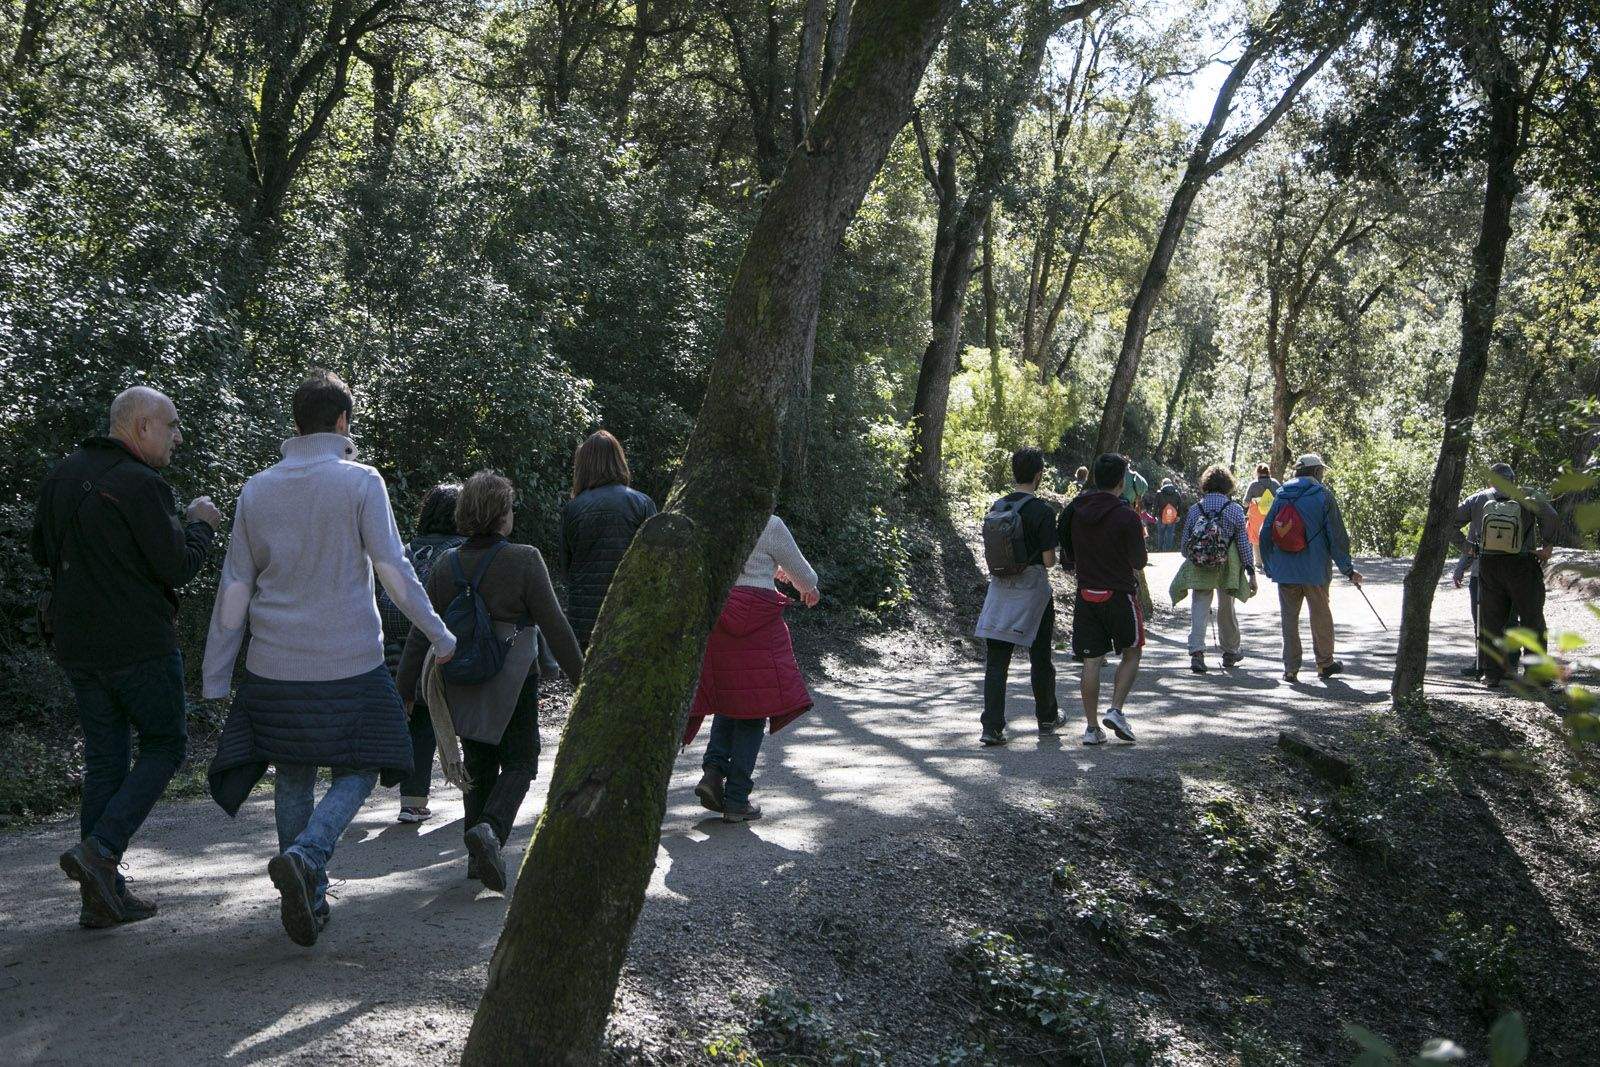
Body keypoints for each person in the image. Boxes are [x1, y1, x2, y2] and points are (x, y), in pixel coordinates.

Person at [202, 369, 457, 947]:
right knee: (364, 764)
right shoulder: (361, 482)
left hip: (273, 664)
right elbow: (394, 570)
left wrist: (216, 674)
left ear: (296, 424)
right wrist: (439, 634)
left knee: (292, 772)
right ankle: (308, 855)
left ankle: (308, 895)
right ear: (343, 422)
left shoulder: (257, 489)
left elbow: (235, 585)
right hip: (350, 659)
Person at [32, 386, 221, 928]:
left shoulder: (62, 475)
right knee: (166, 744)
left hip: (78, 647)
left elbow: (40, 550)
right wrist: (201, 524)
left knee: (106, 761)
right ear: (141, 427)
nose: (178, 438)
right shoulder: (141, 483)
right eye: (173, 427)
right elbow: (178, 565)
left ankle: (102, 895)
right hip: (138, 645)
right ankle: (102, 850)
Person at [396, 471, 585, 890]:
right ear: (502, 515)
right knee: (521, 758)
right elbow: (556, 628)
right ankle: (491, 831)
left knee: (479, 761)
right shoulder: (524, 559)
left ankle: (475, 859)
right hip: (513, 677)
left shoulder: (448, 563)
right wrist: (583, 682)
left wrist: (404, 688)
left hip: (460, 671)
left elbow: (420, 629)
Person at [685, 514, 820, 822]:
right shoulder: (769, 524)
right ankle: (736, 800)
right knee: (753, 709)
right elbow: (806, 578)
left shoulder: (713, 521)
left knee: (728, 696)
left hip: (721, 612)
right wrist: (803, 585)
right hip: (760, 618)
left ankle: (713, 770)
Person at [378, 482, 464, 823]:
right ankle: (476, 785)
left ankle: (412, 802)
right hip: (437, 643)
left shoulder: (409, 548)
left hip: (396, 641)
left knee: (418, 720)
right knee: (456, 716)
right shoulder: (460, 549)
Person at [974, 447, 1062, 746]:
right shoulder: (1042, 511)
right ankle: (1047, 717)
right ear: (1039, 475)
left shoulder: (997, 507)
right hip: (1033, 589)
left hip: (1000, 588)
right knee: (1040, 658)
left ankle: (992, 726)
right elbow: (1049, 561)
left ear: (1014, 472)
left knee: (997, 661)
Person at [1058, 453, 1147, 746]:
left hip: (1086, 594)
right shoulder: (1126, 515)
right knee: (1132, 651)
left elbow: (1066, 551)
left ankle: (1092, 728)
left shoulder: (1075, 509)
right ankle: (1116, 709)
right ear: (1122, 482)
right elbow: (1139, 560)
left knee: (1091, 661)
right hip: (1120, 593)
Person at [1449, 464, 1558, 689]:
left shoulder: (1478, 499)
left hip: (1489, 565)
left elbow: (1450, 522)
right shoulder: (1527, 494)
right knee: (1532, 620)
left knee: (1491, 621)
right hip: (1522, 564)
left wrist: (1467, 547)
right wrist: (1547, 546)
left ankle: (1492, 676)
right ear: (1513, 480)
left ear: (1491, 481)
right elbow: (1552, 516)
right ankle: (1535, 675)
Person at [1259, 453, 1363, 683]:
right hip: (1315, 570)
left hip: (1286, 570)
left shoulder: (1281, 495)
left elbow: (1265, 532)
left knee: (1289, 620)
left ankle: (1290, 669)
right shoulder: (1323, 496)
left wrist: (1269, 564)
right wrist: (1347, 569)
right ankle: (1325, 663)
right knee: (1320, 616)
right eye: (1321, 471)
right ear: (1316, 472)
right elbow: (1336, 537)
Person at [561, 430, 658, 649]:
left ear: (583, 465)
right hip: (630, 613)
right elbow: (655, 564)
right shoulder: (642, 503)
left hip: (585, 618)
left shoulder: (572, 509)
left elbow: (567, 569)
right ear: (619, 460)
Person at [1172, 464, 1256, 673]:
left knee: (1200, 606)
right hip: (1227, 567)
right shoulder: (1235, 510)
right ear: (1228, 485)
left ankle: (1197, 653)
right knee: (1226, 607)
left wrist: (1201, 554)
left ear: (1206, 484)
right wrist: (1251, 572)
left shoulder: (1195, 510)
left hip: (1200, 566)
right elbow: (1244, 544)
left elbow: (1184, 547)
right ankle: (1230, 651)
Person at [1243, 463, 1280, 550]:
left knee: (1256, 541)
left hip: (1257, 518)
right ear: (1268, 472)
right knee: (1272, 539)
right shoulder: (1275, 483)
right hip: (1272, 516)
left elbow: (1245, 503)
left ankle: (1258, 563)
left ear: (1257, 472)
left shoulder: (1253, 484)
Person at [1155, 479, 1183, 551]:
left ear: (1163, 484)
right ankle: (1168, 551)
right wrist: (1178, 516)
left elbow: (1155, 505)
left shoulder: (1159, 493)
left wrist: (1154, 515)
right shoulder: (1176, 493)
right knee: (1169, 534)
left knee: (1161, 534)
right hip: (1172, 517)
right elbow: (1180, 505)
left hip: (1161, 517)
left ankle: (1160, 550)